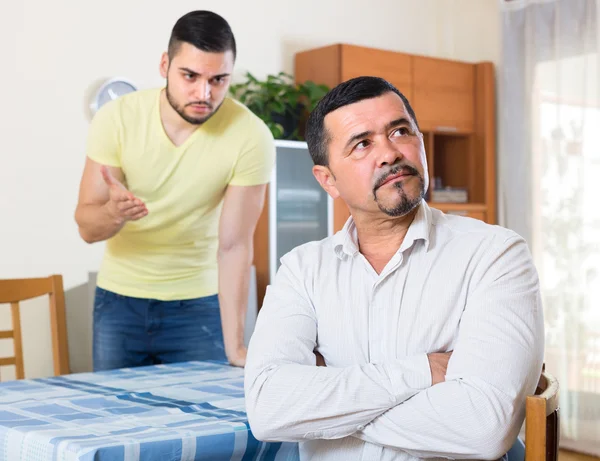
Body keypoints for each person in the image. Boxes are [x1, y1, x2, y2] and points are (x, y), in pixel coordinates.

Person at [244, 76, 544, 460]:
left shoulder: (495, 255)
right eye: (362, 143)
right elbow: (269, 409)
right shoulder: (302, 270)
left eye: (400, 131)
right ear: (328, 180)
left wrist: (321, 406)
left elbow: (483, 427)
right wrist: (421, 373)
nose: (389, 153)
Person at [75, 10, 274, 370]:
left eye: (218, 80)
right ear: (165, 64)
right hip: (120, 301)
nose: (204, 92)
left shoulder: (251, 135)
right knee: (117, 420)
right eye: (190, 76)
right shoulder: (116, 118)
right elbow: (87, 229)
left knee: (206, 420)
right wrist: (113, 214)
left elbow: (234, 246)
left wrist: (236, 346)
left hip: (199, 305)